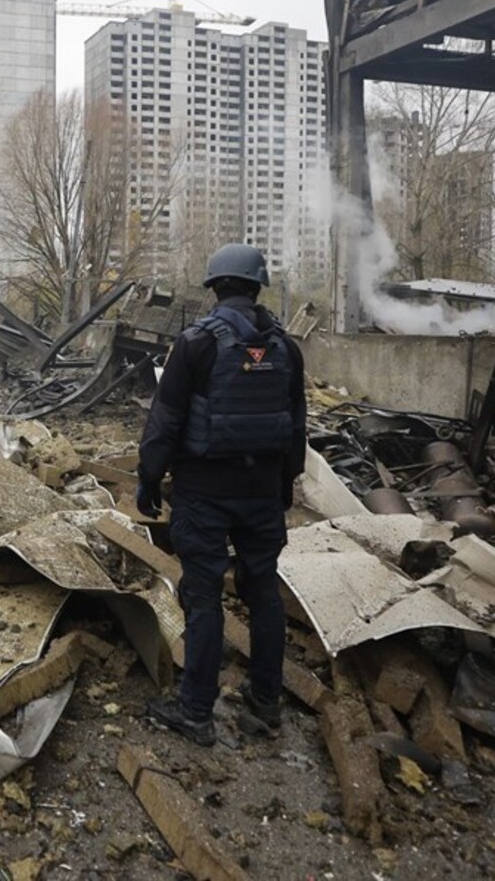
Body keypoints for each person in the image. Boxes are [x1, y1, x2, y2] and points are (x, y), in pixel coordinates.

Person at [137, 244, 306, 747]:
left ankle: (196, 712)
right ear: (257, 287)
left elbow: (165, 421)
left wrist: (149, 479)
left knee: (204, 595)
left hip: (204, 492)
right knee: (264, 592)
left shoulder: (196, 344)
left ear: (214, 287)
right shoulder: (287, 349)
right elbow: (297, 427)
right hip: (262, 494)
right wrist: (284, 486)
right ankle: (265, 702)